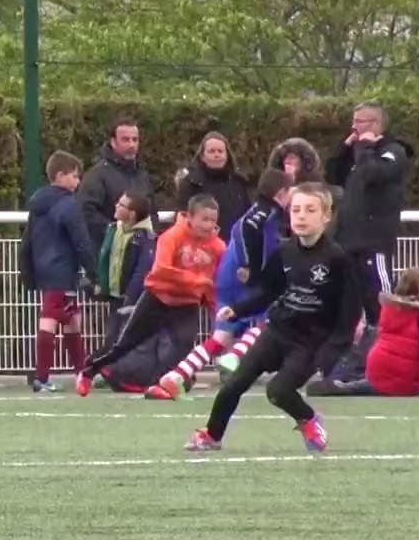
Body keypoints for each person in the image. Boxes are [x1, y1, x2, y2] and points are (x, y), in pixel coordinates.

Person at [184, 183, 360, 453]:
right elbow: (270, 291)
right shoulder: (284, 252)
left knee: (278, 391)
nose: (301, 216)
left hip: (309, 343)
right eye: (296, 210)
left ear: (326, 216)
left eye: (310, 210)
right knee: (235, 383)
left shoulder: (336, 258)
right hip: (278, 332)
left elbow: (349, 311)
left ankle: (309, 419)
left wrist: (331, 351)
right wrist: (239, 309)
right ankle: (212, 435)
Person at [147, 169, 294, 399]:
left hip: (226, 278)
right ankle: (234, 356)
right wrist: (250, 266)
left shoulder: (261, 211)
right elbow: (244, 228)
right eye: (291, 193)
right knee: (272, 319)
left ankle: (173, 378)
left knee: (220, 338)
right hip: (241, 279)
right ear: (281, 193)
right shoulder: (265, 212)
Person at [76, 194, 225, 396]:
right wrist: (196, 280)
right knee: (126, 343)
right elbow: (161, 269)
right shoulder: (171, 236)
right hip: (157, 297)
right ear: (189, 216)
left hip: (187, 302)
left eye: (213, 221)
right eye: (204, 219)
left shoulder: (218, 247)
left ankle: (158, 384)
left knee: (183, 344)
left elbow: (215, 284)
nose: (209, 225)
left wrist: (217, 311)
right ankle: (89, 370)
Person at [324, 102, 414, 329]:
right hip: (347, 238)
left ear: (374, 124)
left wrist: (364, 148)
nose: (353, 127)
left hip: (374, 241)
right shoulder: (357, 152)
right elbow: (333, 175)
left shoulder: (393, 151)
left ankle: (389, 336)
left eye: (359, 122)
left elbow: (372, 174)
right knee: (347, 300)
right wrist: (346, 147)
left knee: (379, 297)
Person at [19, 151, 98, 391]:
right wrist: (94, 271)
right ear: (61, 175)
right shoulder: (68, 204)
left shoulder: (37, 204)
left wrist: (28, 272)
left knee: (71, 319)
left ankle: (81, 373)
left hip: (44, 269)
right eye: (74, 176)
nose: (77, 181)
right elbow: (80, 240)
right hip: (63, 270)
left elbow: (27, 242)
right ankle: (43, 377)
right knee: (52, 320)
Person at [76, 117, 156, 251]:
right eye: (125, 139)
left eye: (135, 140)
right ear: (113, 142)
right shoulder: (97, 175)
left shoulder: (142, 175)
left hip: (140, 253)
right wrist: (117, 234)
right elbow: (87, 212)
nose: (131, 145)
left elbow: (153, 211)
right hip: (107, 252)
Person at [93, 191, 155, 350]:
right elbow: (105, 258)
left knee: (122, 336)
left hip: (131, 297)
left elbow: (142, 270)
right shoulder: (114, 229)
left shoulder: (145, 237)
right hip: (115, 293)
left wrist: (131, 295)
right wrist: (102, 282)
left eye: (121, 205)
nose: (116, 206)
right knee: (112, 335)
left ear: (132, 214)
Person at [360, 269, 419, 397]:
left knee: (371, 385)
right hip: (407, 379)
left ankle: (343, 386)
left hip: (376, 369)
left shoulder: (389, 308)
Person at [176, 131, 250, 242]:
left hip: (234, 246)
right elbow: (182, 220)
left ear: (227, 155)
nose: (216, 155)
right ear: (202, 156)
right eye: (211, 151)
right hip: (200, 249)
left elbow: (247, 216)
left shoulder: (239, 183)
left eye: (220, 151)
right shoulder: (190, 183)